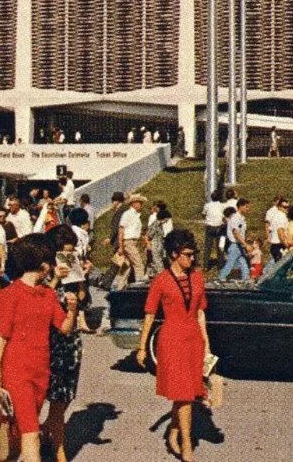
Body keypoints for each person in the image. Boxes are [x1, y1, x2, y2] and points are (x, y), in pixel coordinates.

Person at [0, 235, 77, 462]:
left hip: (41, 369)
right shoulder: (9, 294)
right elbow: (2, 337)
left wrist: (73, 309)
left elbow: (64, 328)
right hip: (16, 370)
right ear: (43, 265)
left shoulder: (47, 294)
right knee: (31, 433)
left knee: (22, 430)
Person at [137, 230, 210, 462]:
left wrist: (206, 343)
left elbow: (200, 312)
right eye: (188, 255)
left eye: (193, 255)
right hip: (172, 340)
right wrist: (141, 348)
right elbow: (149, 315)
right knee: (184, 394)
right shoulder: (161, 281)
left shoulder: (197, 277)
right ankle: (186, 444)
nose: (192, 259)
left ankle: (174, 430)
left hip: (193, 340)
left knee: (187, 392)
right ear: (174, 255)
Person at [42, 225, 85, 462]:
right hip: (52, 338)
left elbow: (82, 300)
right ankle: (59, 450)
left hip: (71, 339)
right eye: (64, 253)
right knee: (56, 396)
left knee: (66, 394)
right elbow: (39, 300)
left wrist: (80, 282)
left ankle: (48, 430)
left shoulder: (72, 271)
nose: (68, 258)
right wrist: (56, 278)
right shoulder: (44, 271)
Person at [114, 194, 147, 288]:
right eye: (139, 202)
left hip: (134, 242)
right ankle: (140, 286)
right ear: (133, 203)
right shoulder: (127, 214)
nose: (141, 204)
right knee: (138, 264)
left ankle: (120, 287)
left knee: (126, 266)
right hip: (128, 242)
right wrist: (120, 246)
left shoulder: (136, 215)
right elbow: (121, 230)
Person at [219, 198, 251, 281]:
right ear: (240, 206)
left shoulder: (241, 218)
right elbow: (235, 233)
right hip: (235, 245)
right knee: (230, 264)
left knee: (243, 263)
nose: (248, 209)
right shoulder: (235, 218)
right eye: (246, 207)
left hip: (239, 245)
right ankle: (221, 278)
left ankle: (246, 278)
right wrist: (245, 244)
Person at [202, 190, 224, 271]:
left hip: (210, 227)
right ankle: (221, 265)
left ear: (211, 197)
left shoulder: (207, 205)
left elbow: (203, 214)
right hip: (220, 227)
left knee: (208, 246)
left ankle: (205, 265)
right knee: (220, 246)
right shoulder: (222, 205)